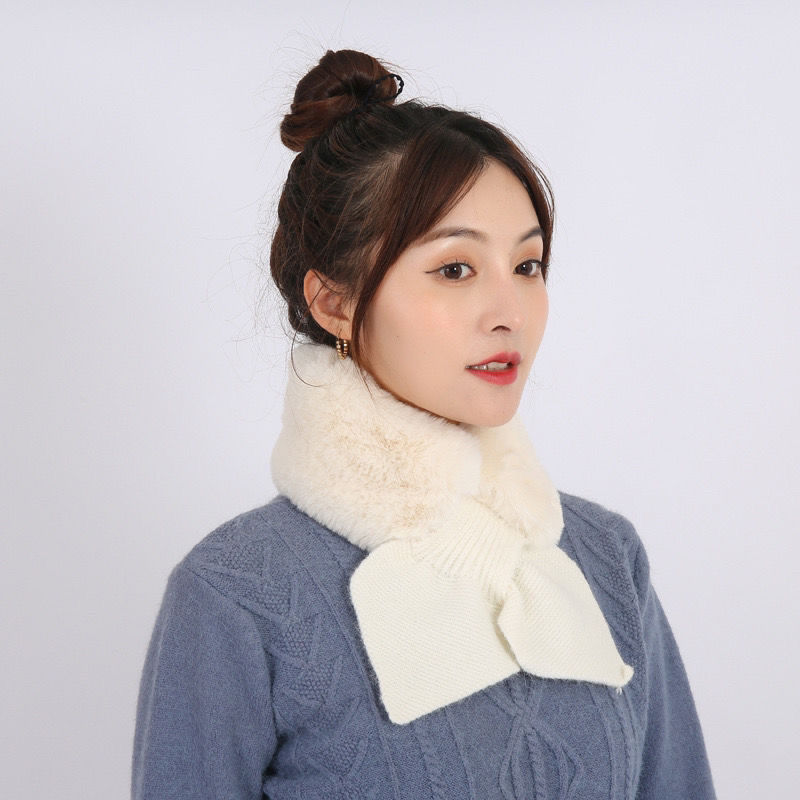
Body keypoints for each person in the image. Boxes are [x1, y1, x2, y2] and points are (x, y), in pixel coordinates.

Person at [132, 49, 716, 800]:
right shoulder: (237, 593)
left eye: (528, 266)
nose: (509, 313)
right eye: (455, 269)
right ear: (334, 302)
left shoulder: (605, 557)